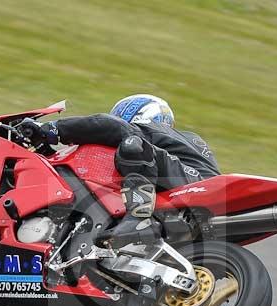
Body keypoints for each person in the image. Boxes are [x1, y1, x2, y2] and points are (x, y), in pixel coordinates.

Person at [17, 94, 220, 246]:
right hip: (199, 195)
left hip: (195, 186)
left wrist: (52, 130)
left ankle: (139, 218)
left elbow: (112, 127)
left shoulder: (150, 131)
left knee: (132, 144)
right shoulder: (182, 140)